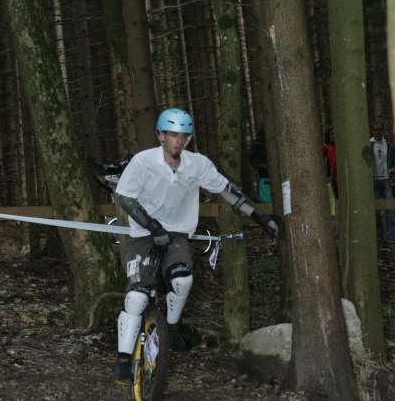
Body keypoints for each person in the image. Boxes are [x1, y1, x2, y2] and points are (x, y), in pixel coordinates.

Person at [112, 107, 279, 381]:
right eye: (173, 135)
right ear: (161, 136)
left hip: (177, 234)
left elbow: (227, 190)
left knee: (182, 280)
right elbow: (126, 199)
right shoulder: (143, 162)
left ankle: (172, 328)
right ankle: (123, 358)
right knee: (137, 296)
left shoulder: (197, 164)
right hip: (143, 234)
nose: (178, 141)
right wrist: (153, 227)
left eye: (184, 136)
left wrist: (259, 216)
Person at [370, 119, 395, 240]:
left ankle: (392, 235)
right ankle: (379, 234)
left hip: (387, 179)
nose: (378, 131)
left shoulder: (390, 146)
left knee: (390, 208)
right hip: (374, 180)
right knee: (376, 209)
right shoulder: (368, 145)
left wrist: (394, 169)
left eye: (380, 129)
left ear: (383, 130)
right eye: (375, 129)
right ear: (372, 131)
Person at [322, 126, 338, 198]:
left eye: (335, 133)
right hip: (336, 179)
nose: (334, 135)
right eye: (332, 134)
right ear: (328, 137)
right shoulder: (330, 149)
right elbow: (335, 165)